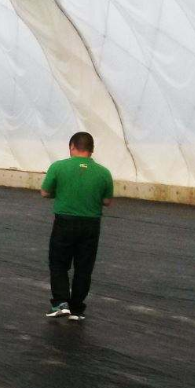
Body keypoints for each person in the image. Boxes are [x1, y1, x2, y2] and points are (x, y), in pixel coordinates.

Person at [41, 131, 114, 321]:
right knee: (84, 267)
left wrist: (60, 193)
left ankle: (60, 302)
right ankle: (76, 308)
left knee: (58, 263)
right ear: (92, 149)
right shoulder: (104, 173)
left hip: (64, 222)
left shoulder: (58, 167)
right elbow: (107, 201)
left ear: (72, 147)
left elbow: (45, 192)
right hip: (91, 225)